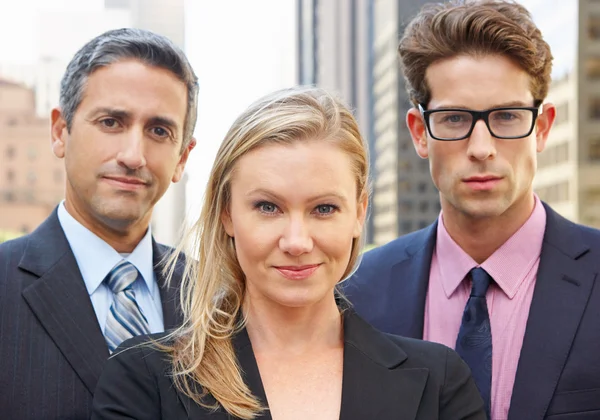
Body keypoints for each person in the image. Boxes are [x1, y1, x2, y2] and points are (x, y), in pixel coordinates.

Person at [91, 86, 486, 419]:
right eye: (268, 207)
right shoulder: (143, 379)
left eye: (324, 209)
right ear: (227, 213)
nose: (296, 242)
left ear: (359, 213)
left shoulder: (439, 383)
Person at [344, 1, 600, 419]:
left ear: (543, 127)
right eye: (454, 119)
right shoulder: (358, 294)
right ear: (419, 132)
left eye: (507, 115)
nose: (481, 148)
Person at [0, 28, 198, 419]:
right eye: (111, 122)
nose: (133, 155)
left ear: (182, 158)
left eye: (159, 131)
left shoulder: (215, 302)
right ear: (60, 132)